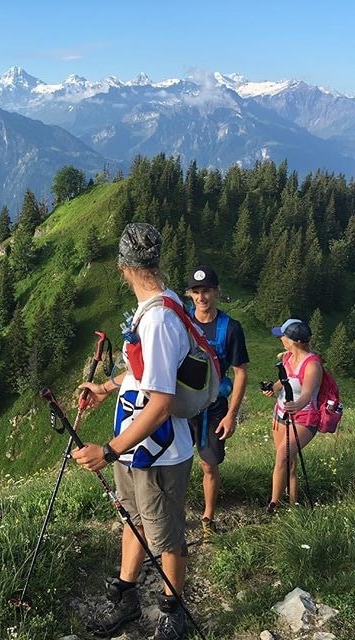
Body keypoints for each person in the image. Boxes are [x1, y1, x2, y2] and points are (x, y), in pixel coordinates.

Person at [72, 222, 193, 640]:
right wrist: (106, 388)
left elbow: (160, 404)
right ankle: (126, 596)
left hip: (158, 450)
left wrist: (107, 450)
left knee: (166, 533)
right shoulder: (161, 304)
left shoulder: (158, 319)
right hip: (136, 446)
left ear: (123, 266)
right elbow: (146, 374)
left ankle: (172, 612)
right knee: (136, 518)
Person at [186, 266, 249, 540]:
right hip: (181, 405)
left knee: (209, 464)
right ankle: (173, 511)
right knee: (175, 460)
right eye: (196, 292)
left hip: (214, 408)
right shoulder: (181, 321)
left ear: (216, 292)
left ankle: (208, 516)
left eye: (207, 291)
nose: (202, 297)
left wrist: (231, 415)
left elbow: (241, 371)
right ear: (190, 294)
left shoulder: (231, 328)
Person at [262, 319, 322, 511]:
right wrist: (273, 387)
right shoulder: (288, 358)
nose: (281, 338)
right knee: (290, 461)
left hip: (304, 417)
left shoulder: (312, 365)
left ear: (294, 340)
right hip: (281, 413)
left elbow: (307, 393)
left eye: (283, 335)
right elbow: (285, 381)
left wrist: (296, 405)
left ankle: (273, 503)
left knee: (282, 456)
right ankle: (292, 505)